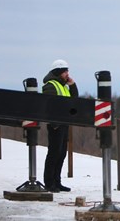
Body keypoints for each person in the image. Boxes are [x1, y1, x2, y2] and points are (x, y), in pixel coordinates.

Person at [42, 59, 78, 193]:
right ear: (58, 72)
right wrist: (54, 123)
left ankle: (57, 182)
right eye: (65, 71)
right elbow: (49, 106)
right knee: (54, 153)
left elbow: (74, 100)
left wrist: (73, 85)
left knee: (62, 153)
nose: (67, 74)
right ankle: (49, 182)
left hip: (64, 124)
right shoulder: (51, 85)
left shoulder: (63, 85)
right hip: (56, 125)